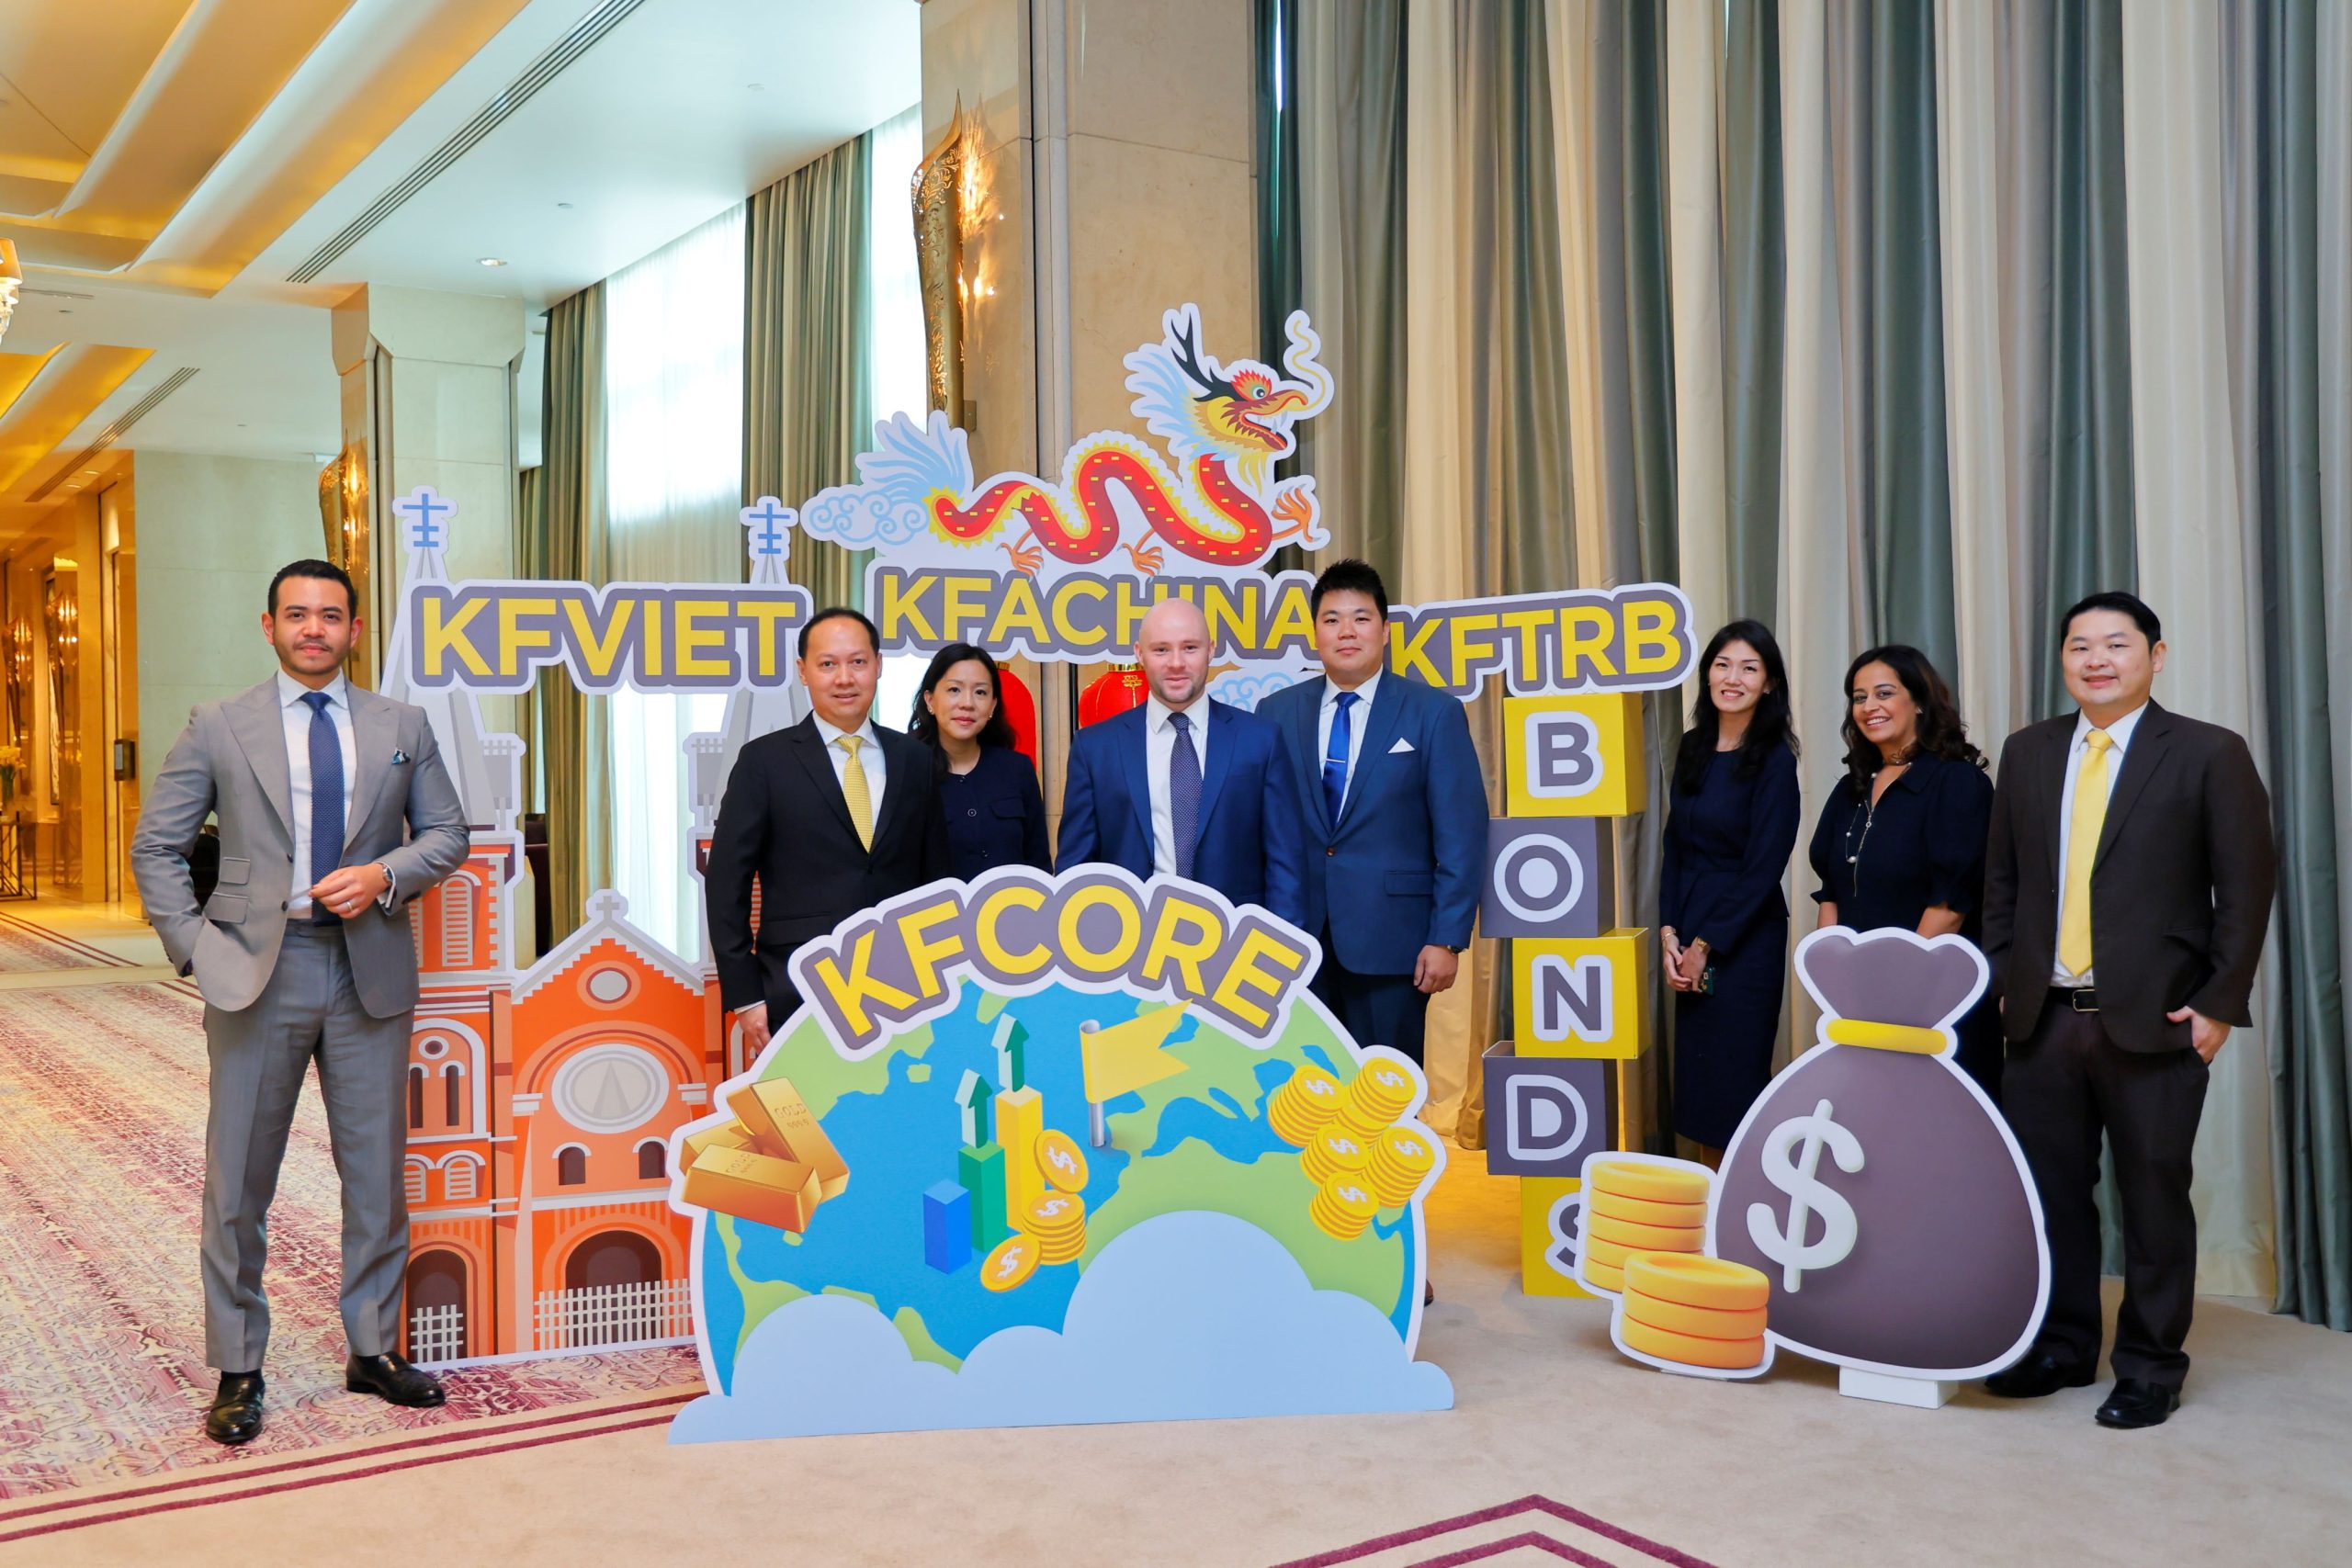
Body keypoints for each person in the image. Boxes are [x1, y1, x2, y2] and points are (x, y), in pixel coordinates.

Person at [130, 559, 471, 1444]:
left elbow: (447, 833)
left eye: (330, 615)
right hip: (257, 972)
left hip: (368, 971)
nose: (313, 628)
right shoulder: (219, 723)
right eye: (296, 614)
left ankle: (373, 1347)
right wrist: (197, 947)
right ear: (269, 625)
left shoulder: (402, 724)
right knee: (238, 1178)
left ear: (354, 628)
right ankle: (239, 1365)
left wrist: (384, 873)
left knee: (376, 1175)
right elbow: (157, 847)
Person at [1981, 592, 2274, 1428]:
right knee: (2050, 1195)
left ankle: (2149, 1366)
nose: (2097, 660)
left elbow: (2246, 887)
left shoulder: (2210, 752)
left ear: (2156, 654)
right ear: (2064, 659)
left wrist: (2218, 1002)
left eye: (2116, 644)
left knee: (2153, 1197)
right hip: (2042, 1016)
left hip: (2158, 1018)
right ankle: (2063, 1345)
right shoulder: (2029, 750)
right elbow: (2001, 879)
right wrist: (2003, 975)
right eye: (2081, 646)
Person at [1259, 559, 1486, 1066]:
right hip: (1297, 942)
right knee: (1303, 1086)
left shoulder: (1433, 713)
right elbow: (1263, 828)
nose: (1346, 631)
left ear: (1384, 631)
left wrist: (1447, 939)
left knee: (1385, 1090)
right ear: (1315, 633)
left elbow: (1461, 836)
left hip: (1393, 944)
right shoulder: (1275, 713)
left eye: (1361, 618)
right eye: (1332, 619)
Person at [706, 607, 953, 1054]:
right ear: (804, 671)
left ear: (878, 665)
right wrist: (746, 995)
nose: (844, 678)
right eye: (828, 664)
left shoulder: (915, 759)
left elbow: (935, 877)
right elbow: (727, 884)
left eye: (858, 662)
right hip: (798, 984)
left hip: (908, 985)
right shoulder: (764, 762)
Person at [1806, 645, 1999, 1100]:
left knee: (1938, 1124)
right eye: (1859, 697)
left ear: (1920, 701)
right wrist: (1837, 985)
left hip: (1936, 999)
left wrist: (1894, 990)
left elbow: (1950, 905)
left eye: (1884, 693)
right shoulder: (1851, 788)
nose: (1869, 706)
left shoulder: (1957, 782)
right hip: (1858, 1003)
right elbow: (1831, 892)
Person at [1056, 597, 1306, 927]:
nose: (1176, 663)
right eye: (1161, 650)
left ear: (1210, 650)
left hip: (1235, 941)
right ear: (1139, 654)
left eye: (1190, 648)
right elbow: (1076, 868)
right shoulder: (1095, 748)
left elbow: (1285, 862)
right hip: (1128, 942)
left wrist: (1281, 946)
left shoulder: (1261, 741)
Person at [1658, 620, 1802, 1166]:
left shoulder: (1775, 760)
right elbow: (1675, 847)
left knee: (1733, 1077)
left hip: (1745, 936)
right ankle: (1709, 1194)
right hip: (1691, 925)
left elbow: (1764, 867)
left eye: (1749, 668)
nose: (1732, 678)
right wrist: (1670, 935)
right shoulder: (1694, 746)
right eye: (1722, 665)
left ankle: (1739, 1201)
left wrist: (1704, 946)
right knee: (1699, 1081)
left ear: (1769, 684)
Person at [908, 641, 1050, 879]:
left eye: (980, 692)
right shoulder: (907, 770)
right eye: (954, 690)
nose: (967, 703)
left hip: (1012, 903)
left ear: (993, 705)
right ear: (930, 700)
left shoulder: (1017, 770)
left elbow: (1039, 865)